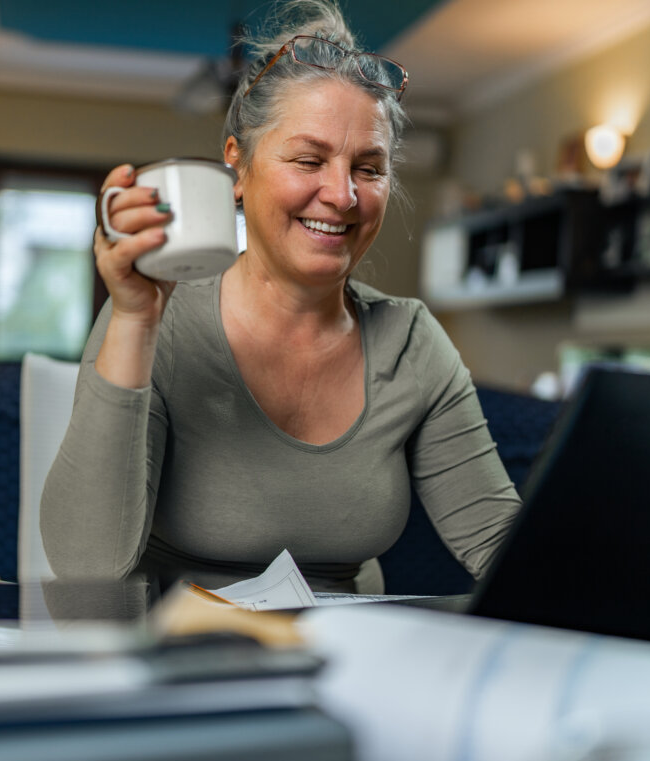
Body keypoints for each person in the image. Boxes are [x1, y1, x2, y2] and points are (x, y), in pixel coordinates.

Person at [40, 0, 520, 595]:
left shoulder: (411, 342)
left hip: (342, 665)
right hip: (179, 660)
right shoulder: (160, 319)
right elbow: (84, 566)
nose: (342, 195)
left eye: (367, 168)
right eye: (308, 159)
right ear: (238, 168)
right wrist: (136, 318)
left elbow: (505, 546)